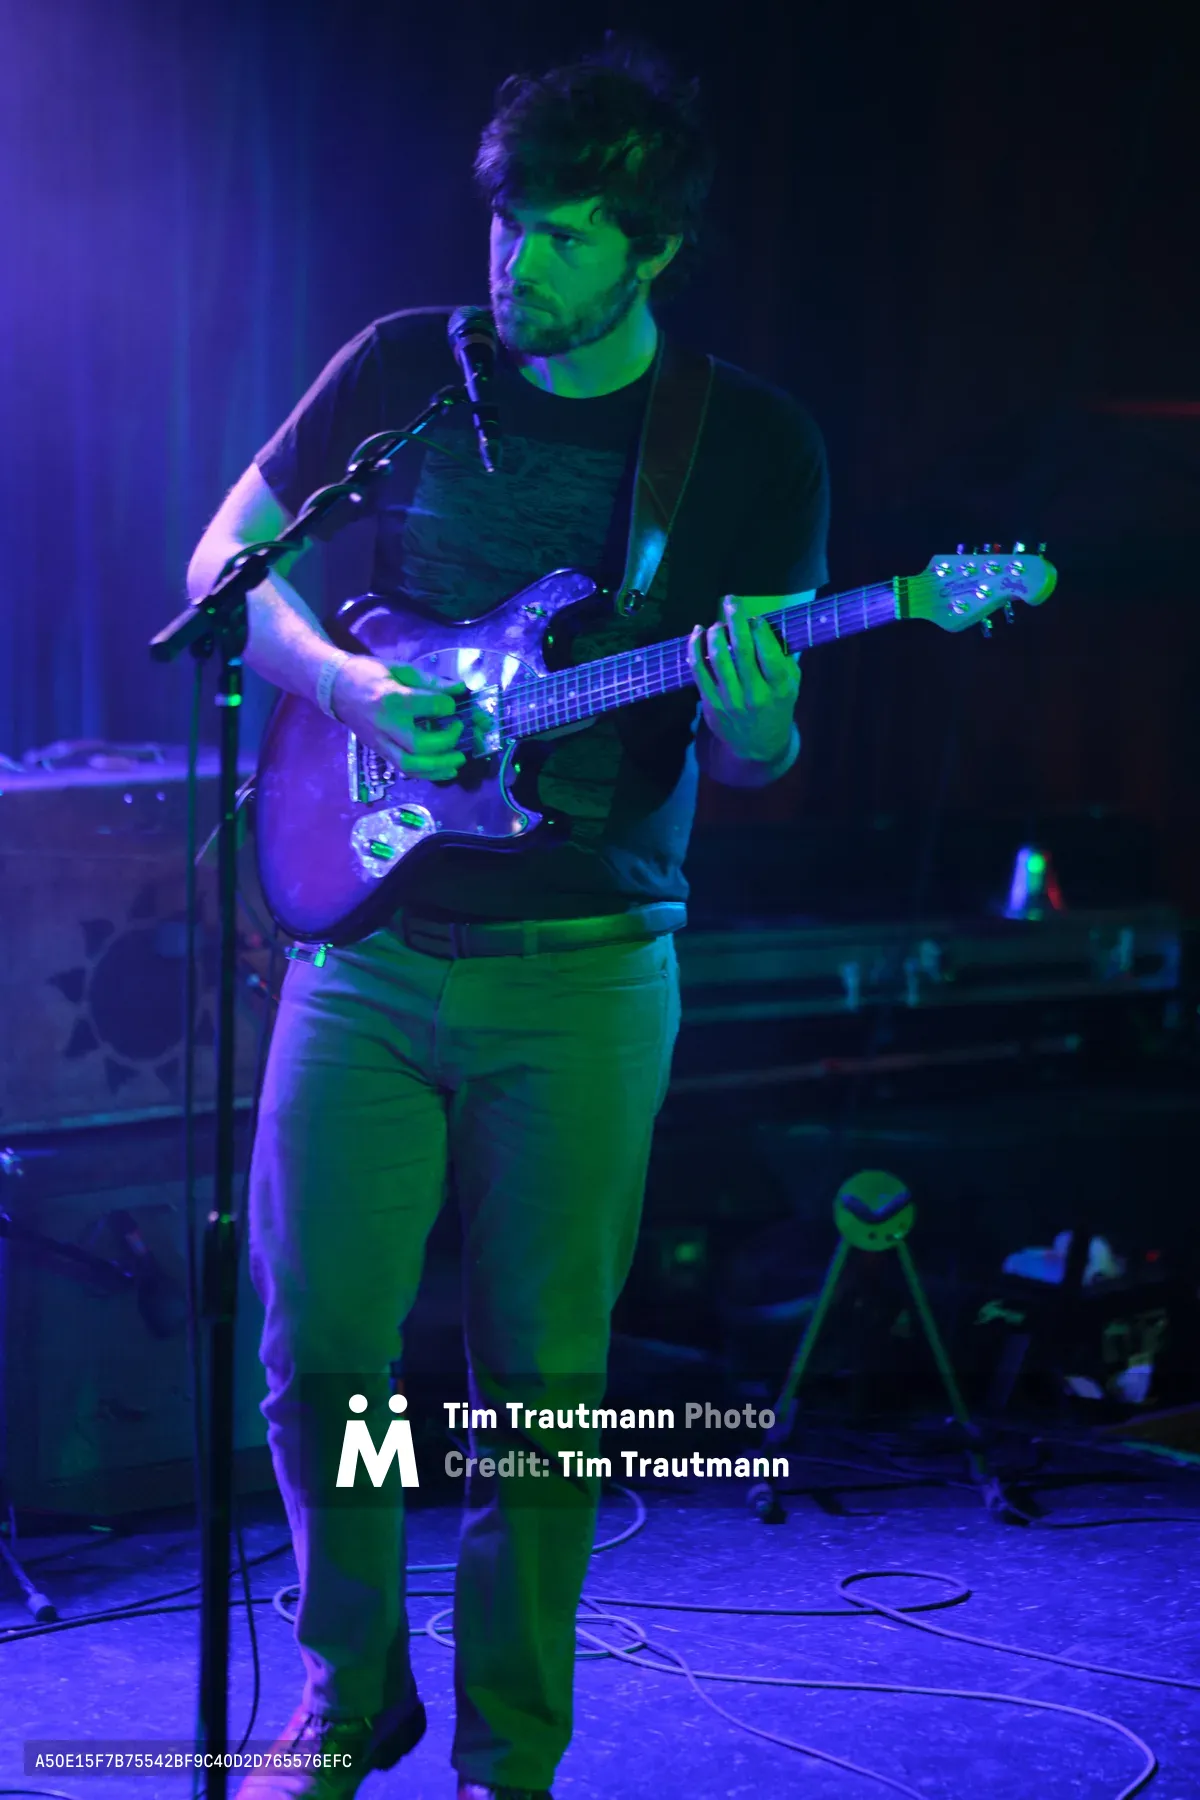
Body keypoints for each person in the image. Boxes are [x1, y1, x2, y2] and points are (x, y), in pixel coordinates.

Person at [186, 38, 829, 1800]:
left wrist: (759, 700)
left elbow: (759, 753)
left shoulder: (748, 446)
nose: (513, 267)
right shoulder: (406, 369)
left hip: (588, 970)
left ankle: (510, 1754)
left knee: (539, 1387)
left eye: (557, 238)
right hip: (366, 951)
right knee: (320, 1344)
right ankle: (345, 1691)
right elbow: (225, 565)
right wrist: (353, 688)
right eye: (505, 228)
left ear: (653, 248)